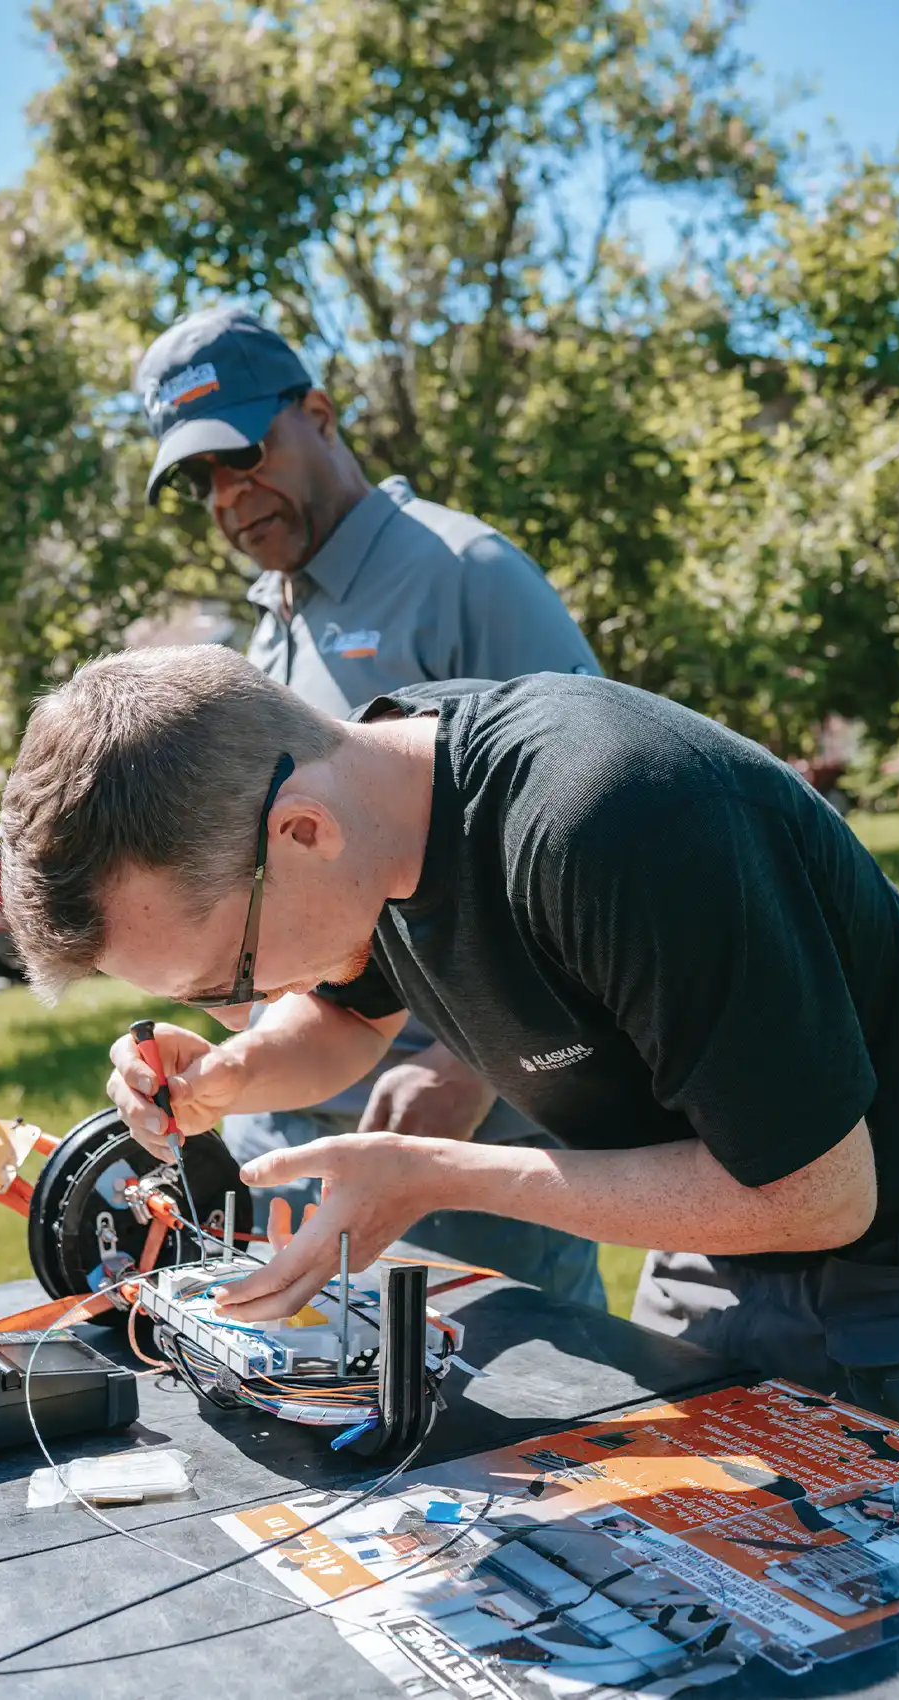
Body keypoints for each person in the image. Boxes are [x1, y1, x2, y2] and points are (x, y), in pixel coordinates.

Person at [0, 648, 899, 1467]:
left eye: (225, 975)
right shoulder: (384, 805)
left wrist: (434, 1175)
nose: (237, 1007)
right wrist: (232, 1072)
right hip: (714, 1221)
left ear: (301, 828)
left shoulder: (611, 818)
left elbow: (817, 1194)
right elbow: (348, 1018)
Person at [136, 303, 606, 1307]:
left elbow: (591, 845)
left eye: (243, 452)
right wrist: (233, 1056)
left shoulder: (464, 573)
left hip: (471, 1135)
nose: (228, 494)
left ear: (321, 412)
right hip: (298, 1120)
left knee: (529, 1441)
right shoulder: (274, 622)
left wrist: (464, 1067)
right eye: (199, 479)